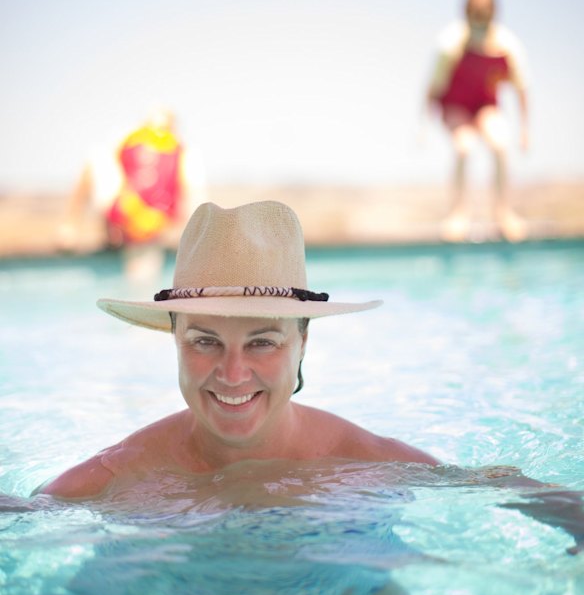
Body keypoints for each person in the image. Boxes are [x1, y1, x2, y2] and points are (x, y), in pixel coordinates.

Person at [36, 200, 584, 556]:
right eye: (205, 341)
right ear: (173, 340)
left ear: (303, 343)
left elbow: (496, 485)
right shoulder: (117, 474)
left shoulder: (365, 457)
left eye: (263, 342)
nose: (232, 373)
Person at [425, 0, 529, 242]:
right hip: (455, 107)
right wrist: (425, 127)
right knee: (464, 147)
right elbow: (433, 88)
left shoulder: (506, 45)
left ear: (494, 15)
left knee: (500, 143)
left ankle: (503, 212)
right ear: (466, 15)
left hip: (484, 106)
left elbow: (521, 89)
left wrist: (526, 130)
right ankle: (458, 214)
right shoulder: (450, 44)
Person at [58, 108, 206, 281]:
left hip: (122, 216)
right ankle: (106, 233)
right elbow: (194, 196)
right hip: (153, 230)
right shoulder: (184, 152)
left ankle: (69, 229)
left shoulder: (129, 138)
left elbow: (115, 173)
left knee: (95, 158)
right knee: (143, 280)